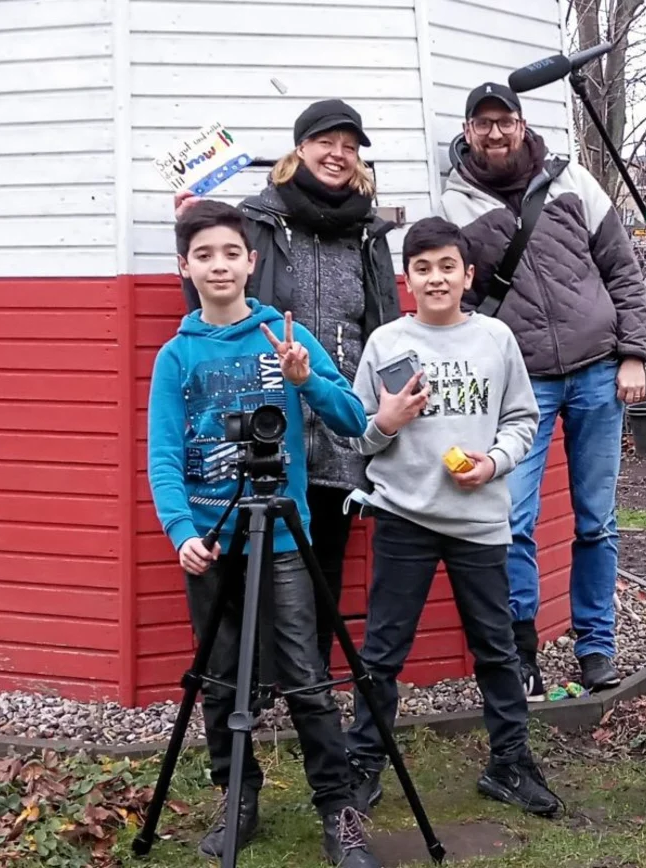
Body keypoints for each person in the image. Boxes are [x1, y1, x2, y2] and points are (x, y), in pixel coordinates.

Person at [148, 199, 381, 867]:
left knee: (307, 676)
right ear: (185, 268)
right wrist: (179, 530)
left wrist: (306, 382)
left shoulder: (286, 336)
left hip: (281, 538)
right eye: (204, 255)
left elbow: (351, 419)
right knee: (222, 680)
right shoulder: (177, 356)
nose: (218, 265)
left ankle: (338, 811)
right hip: (212, 539)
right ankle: (238, 797)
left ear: (251, 262)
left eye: (230, 253)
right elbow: (163, 453)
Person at [342, 216, 563, 818]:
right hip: (403, 516)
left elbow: (524, 419)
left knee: (495, 647)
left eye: (447, 266)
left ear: (468, 274)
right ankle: (364, 763)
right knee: (384, 650)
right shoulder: (386, 343)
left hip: (480, 521)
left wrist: (492, 464)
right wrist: (387, 422)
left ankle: (509, 762)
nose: (436, 278)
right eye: (422, 268)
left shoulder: (495, 338)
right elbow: (358, 435)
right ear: (406, 279)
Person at [439, 82, 646, 699]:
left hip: (597, 372)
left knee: (597, 521)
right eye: (483, 124)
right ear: (469, 131)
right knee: (515, 519)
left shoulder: (573, 182)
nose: (496, 133)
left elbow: (622, 270)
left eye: (504, 121)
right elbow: (463, 303)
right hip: (521, 384)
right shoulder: (455, 205)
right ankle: (521, 651)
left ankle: (595, 646)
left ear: (522, 122)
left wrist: (633, 352)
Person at [175, 99, 399, 676]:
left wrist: (385, 404)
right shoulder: (258, 218)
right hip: (269, 411)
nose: (338, 155)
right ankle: (259, 686)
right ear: (300, 148)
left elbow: (384, 322)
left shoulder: (370, 231)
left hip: (338, 409)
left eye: (350, 147)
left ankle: (309, 684)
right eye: (327, 142)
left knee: (322, 559)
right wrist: (191, 220)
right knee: (256, 558)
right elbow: (218, 298)